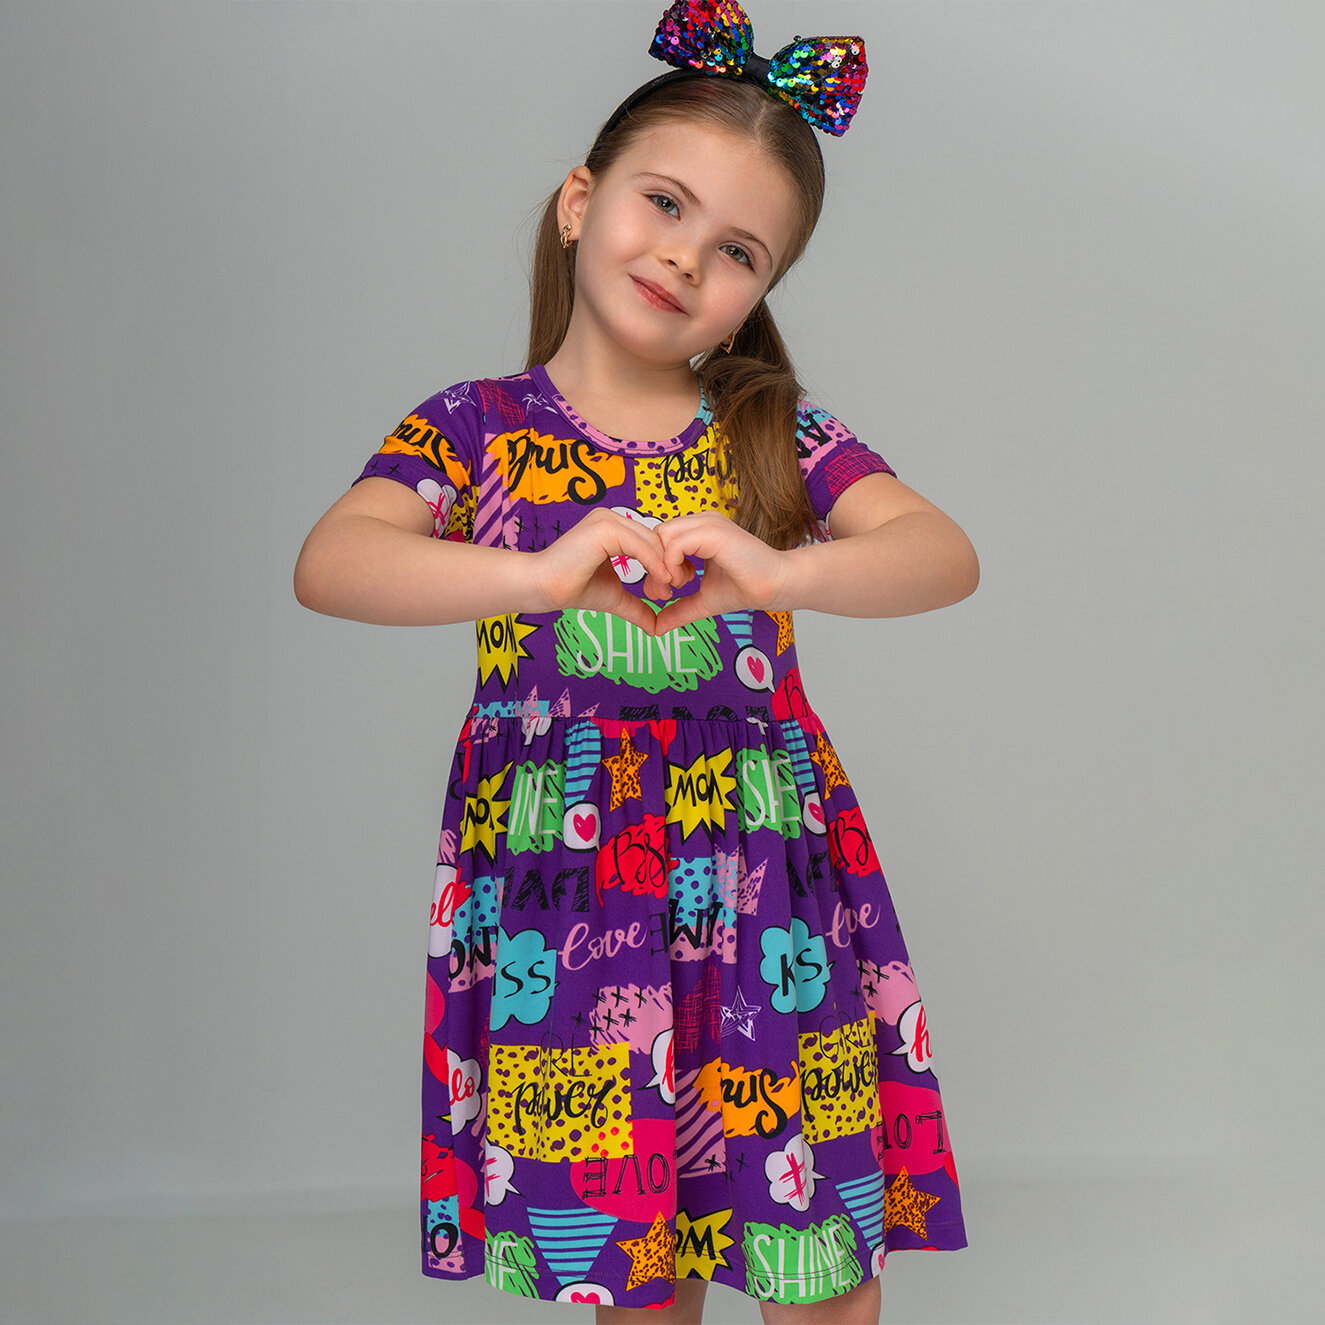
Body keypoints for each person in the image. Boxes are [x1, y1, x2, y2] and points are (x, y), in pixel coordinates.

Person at [294, 3, 976, 1321]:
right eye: (664, 203)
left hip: (766, 885)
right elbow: (334, 561)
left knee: (821, 1255)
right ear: (578, 201)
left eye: (737, 251)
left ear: (759, 291)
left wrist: (781, 571)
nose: (683, 256)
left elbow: (940, 553)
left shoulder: (772, 431)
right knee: (634, 1268)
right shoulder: (476, 427)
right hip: (575, 900)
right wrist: (536, 575)